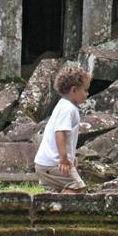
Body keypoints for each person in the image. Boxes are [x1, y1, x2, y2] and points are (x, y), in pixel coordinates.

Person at [34, 65, 91, 194]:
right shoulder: (68, 109)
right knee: (78, 187)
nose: (87, 94)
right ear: (74, 90)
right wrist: (64, 159)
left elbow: (67, 137)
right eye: (85, 90)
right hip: (53, 164)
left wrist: (72, 156)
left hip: (44, 164)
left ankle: (48, 209)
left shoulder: (63, 105)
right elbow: (60, 133)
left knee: (54, 193)